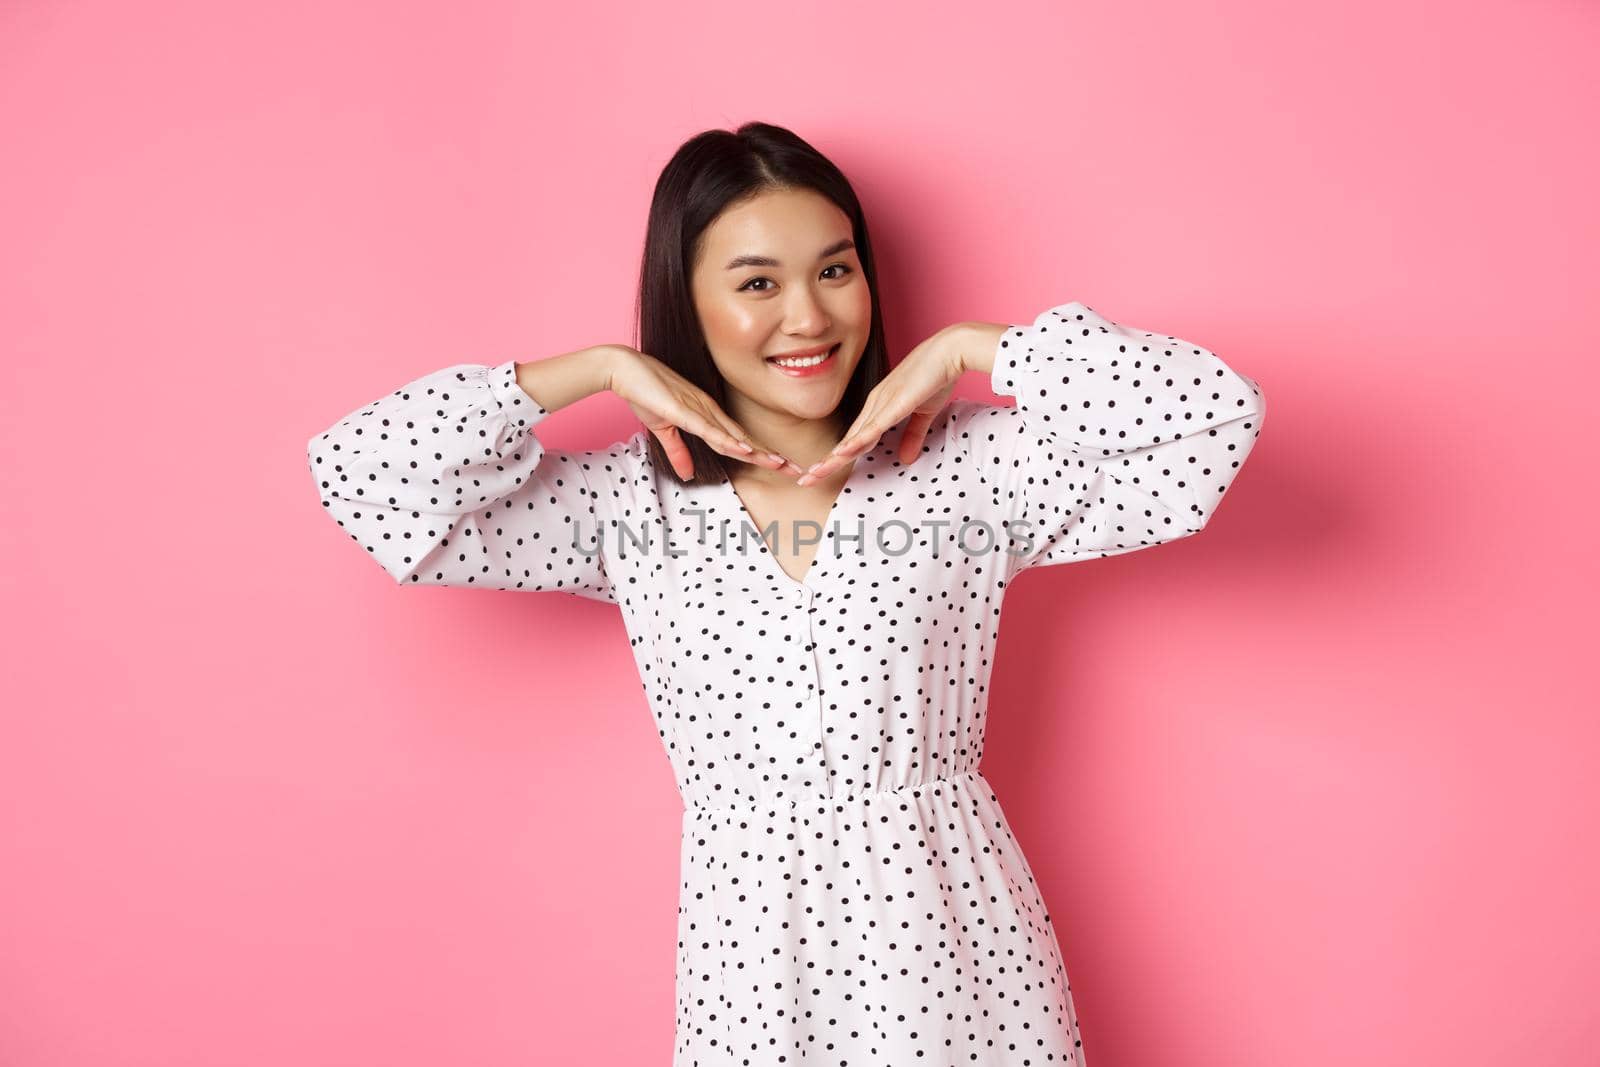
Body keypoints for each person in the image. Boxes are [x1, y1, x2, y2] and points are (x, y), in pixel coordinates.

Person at [305, 121, 1266, 1066]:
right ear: (683, 298)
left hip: (957, 948)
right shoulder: (621, 503)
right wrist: (597, 369)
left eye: (835, 270)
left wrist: (976, 348)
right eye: (757, 282)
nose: (808, 318)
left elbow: (1212, 419)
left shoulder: (977, 467)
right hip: (752, 971)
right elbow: (365, 478)